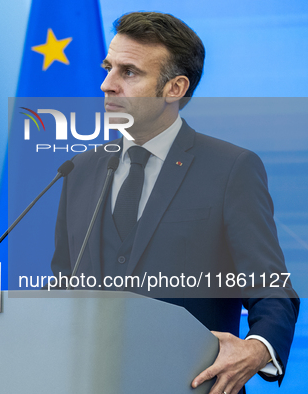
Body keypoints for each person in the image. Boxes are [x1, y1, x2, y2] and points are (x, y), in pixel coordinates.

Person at [49, 12, 299, 394]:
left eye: (128, 73)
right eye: (108, 68)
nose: (106, 85)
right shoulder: (79, 169)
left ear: (175, 88)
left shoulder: (231, 168)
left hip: (190, 384)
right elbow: (63, 284)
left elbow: (271, 287)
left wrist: (256, 348)